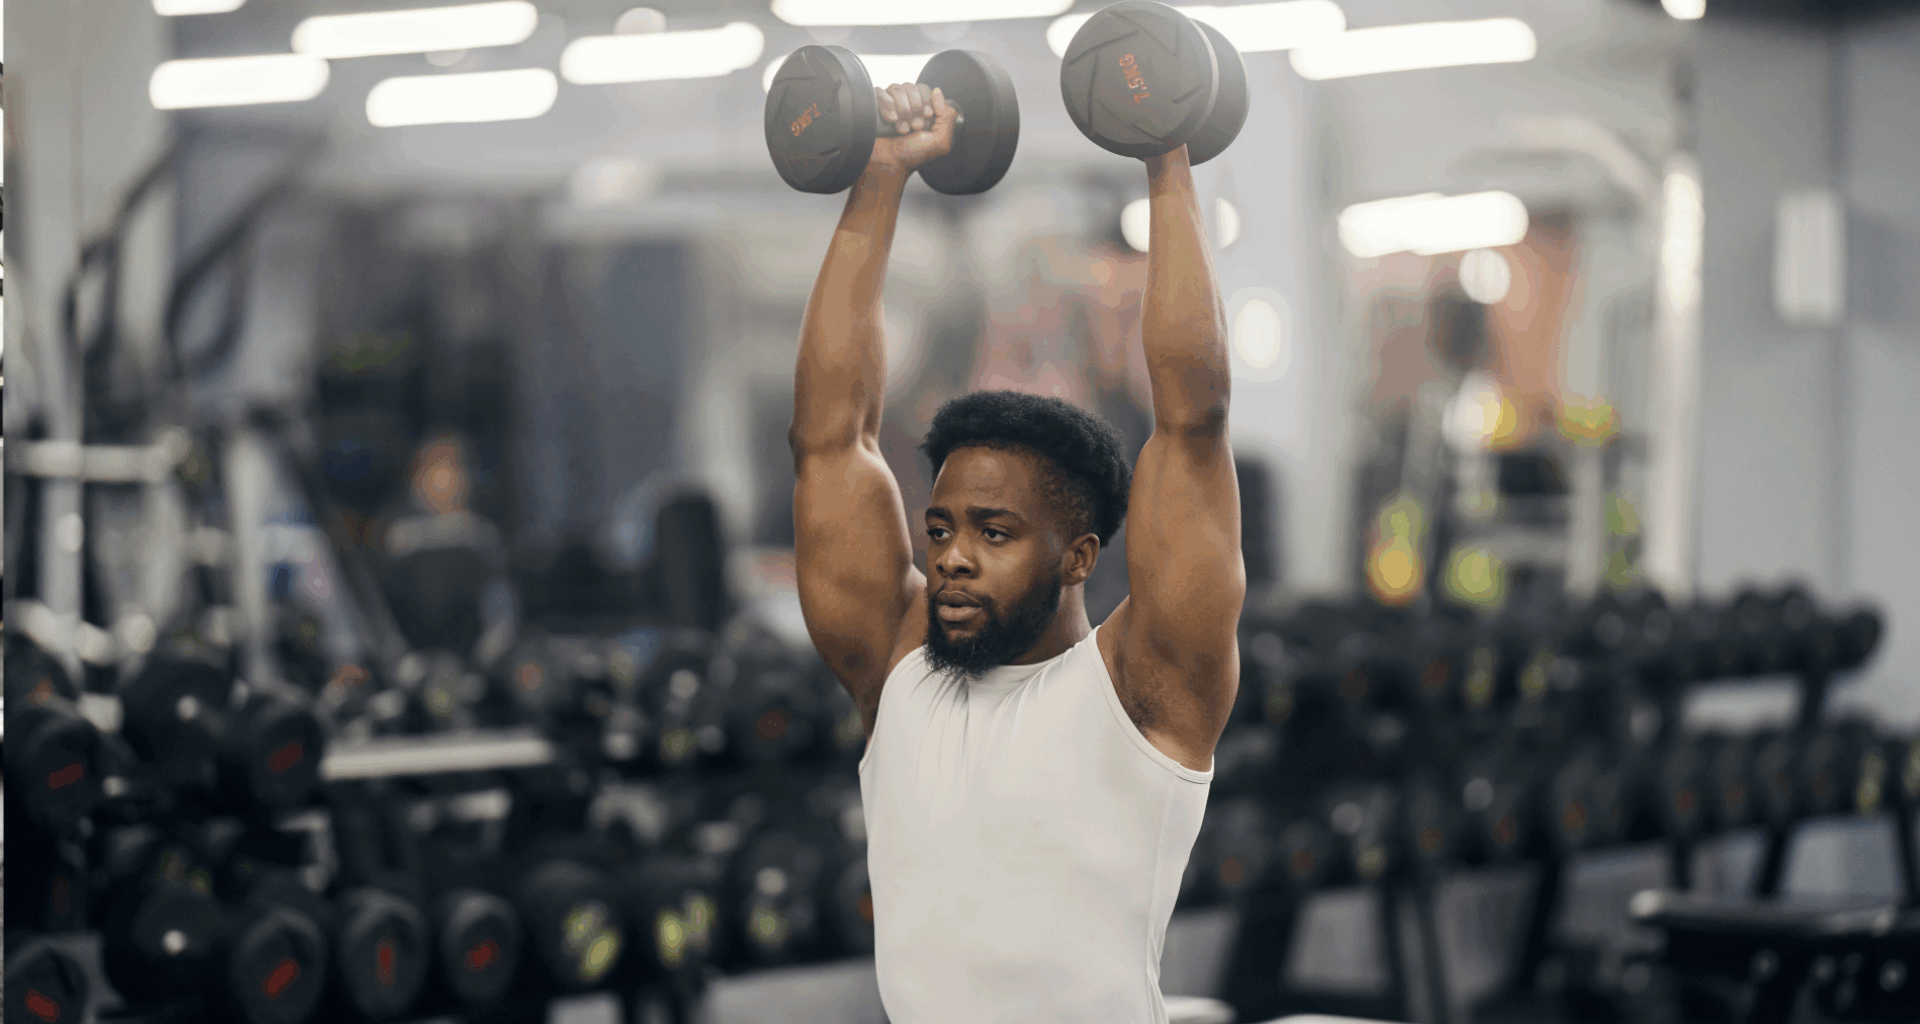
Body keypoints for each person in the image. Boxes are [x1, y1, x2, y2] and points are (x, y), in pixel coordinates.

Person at [789, 81, 1245, 1023]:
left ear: (1080, 557)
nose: (953, 557)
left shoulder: (1146, 692)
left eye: (994, 534)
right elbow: (832, 439)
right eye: (943, 528)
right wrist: (878, 176)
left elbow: (1192, 424)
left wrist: (1163, 159)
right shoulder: (896, 669)